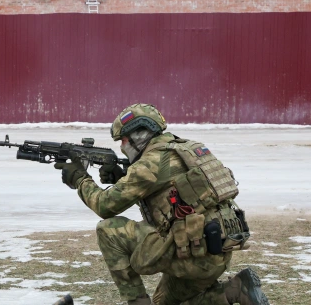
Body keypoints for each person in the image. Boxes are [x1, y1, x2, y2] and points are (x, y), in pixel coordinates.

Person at [54, 103, 269, 305]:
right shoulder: (189, 148)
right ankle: (236, 289)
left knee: (108, 231)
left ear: (139, 136)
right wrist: (123, 177)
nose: (122, 146)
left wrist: (80, 179)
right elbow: (169, 195)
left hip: (192, 253)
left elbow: (104, 206)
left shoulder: (150, 162)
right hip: (216, 253)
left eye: (124, 140)